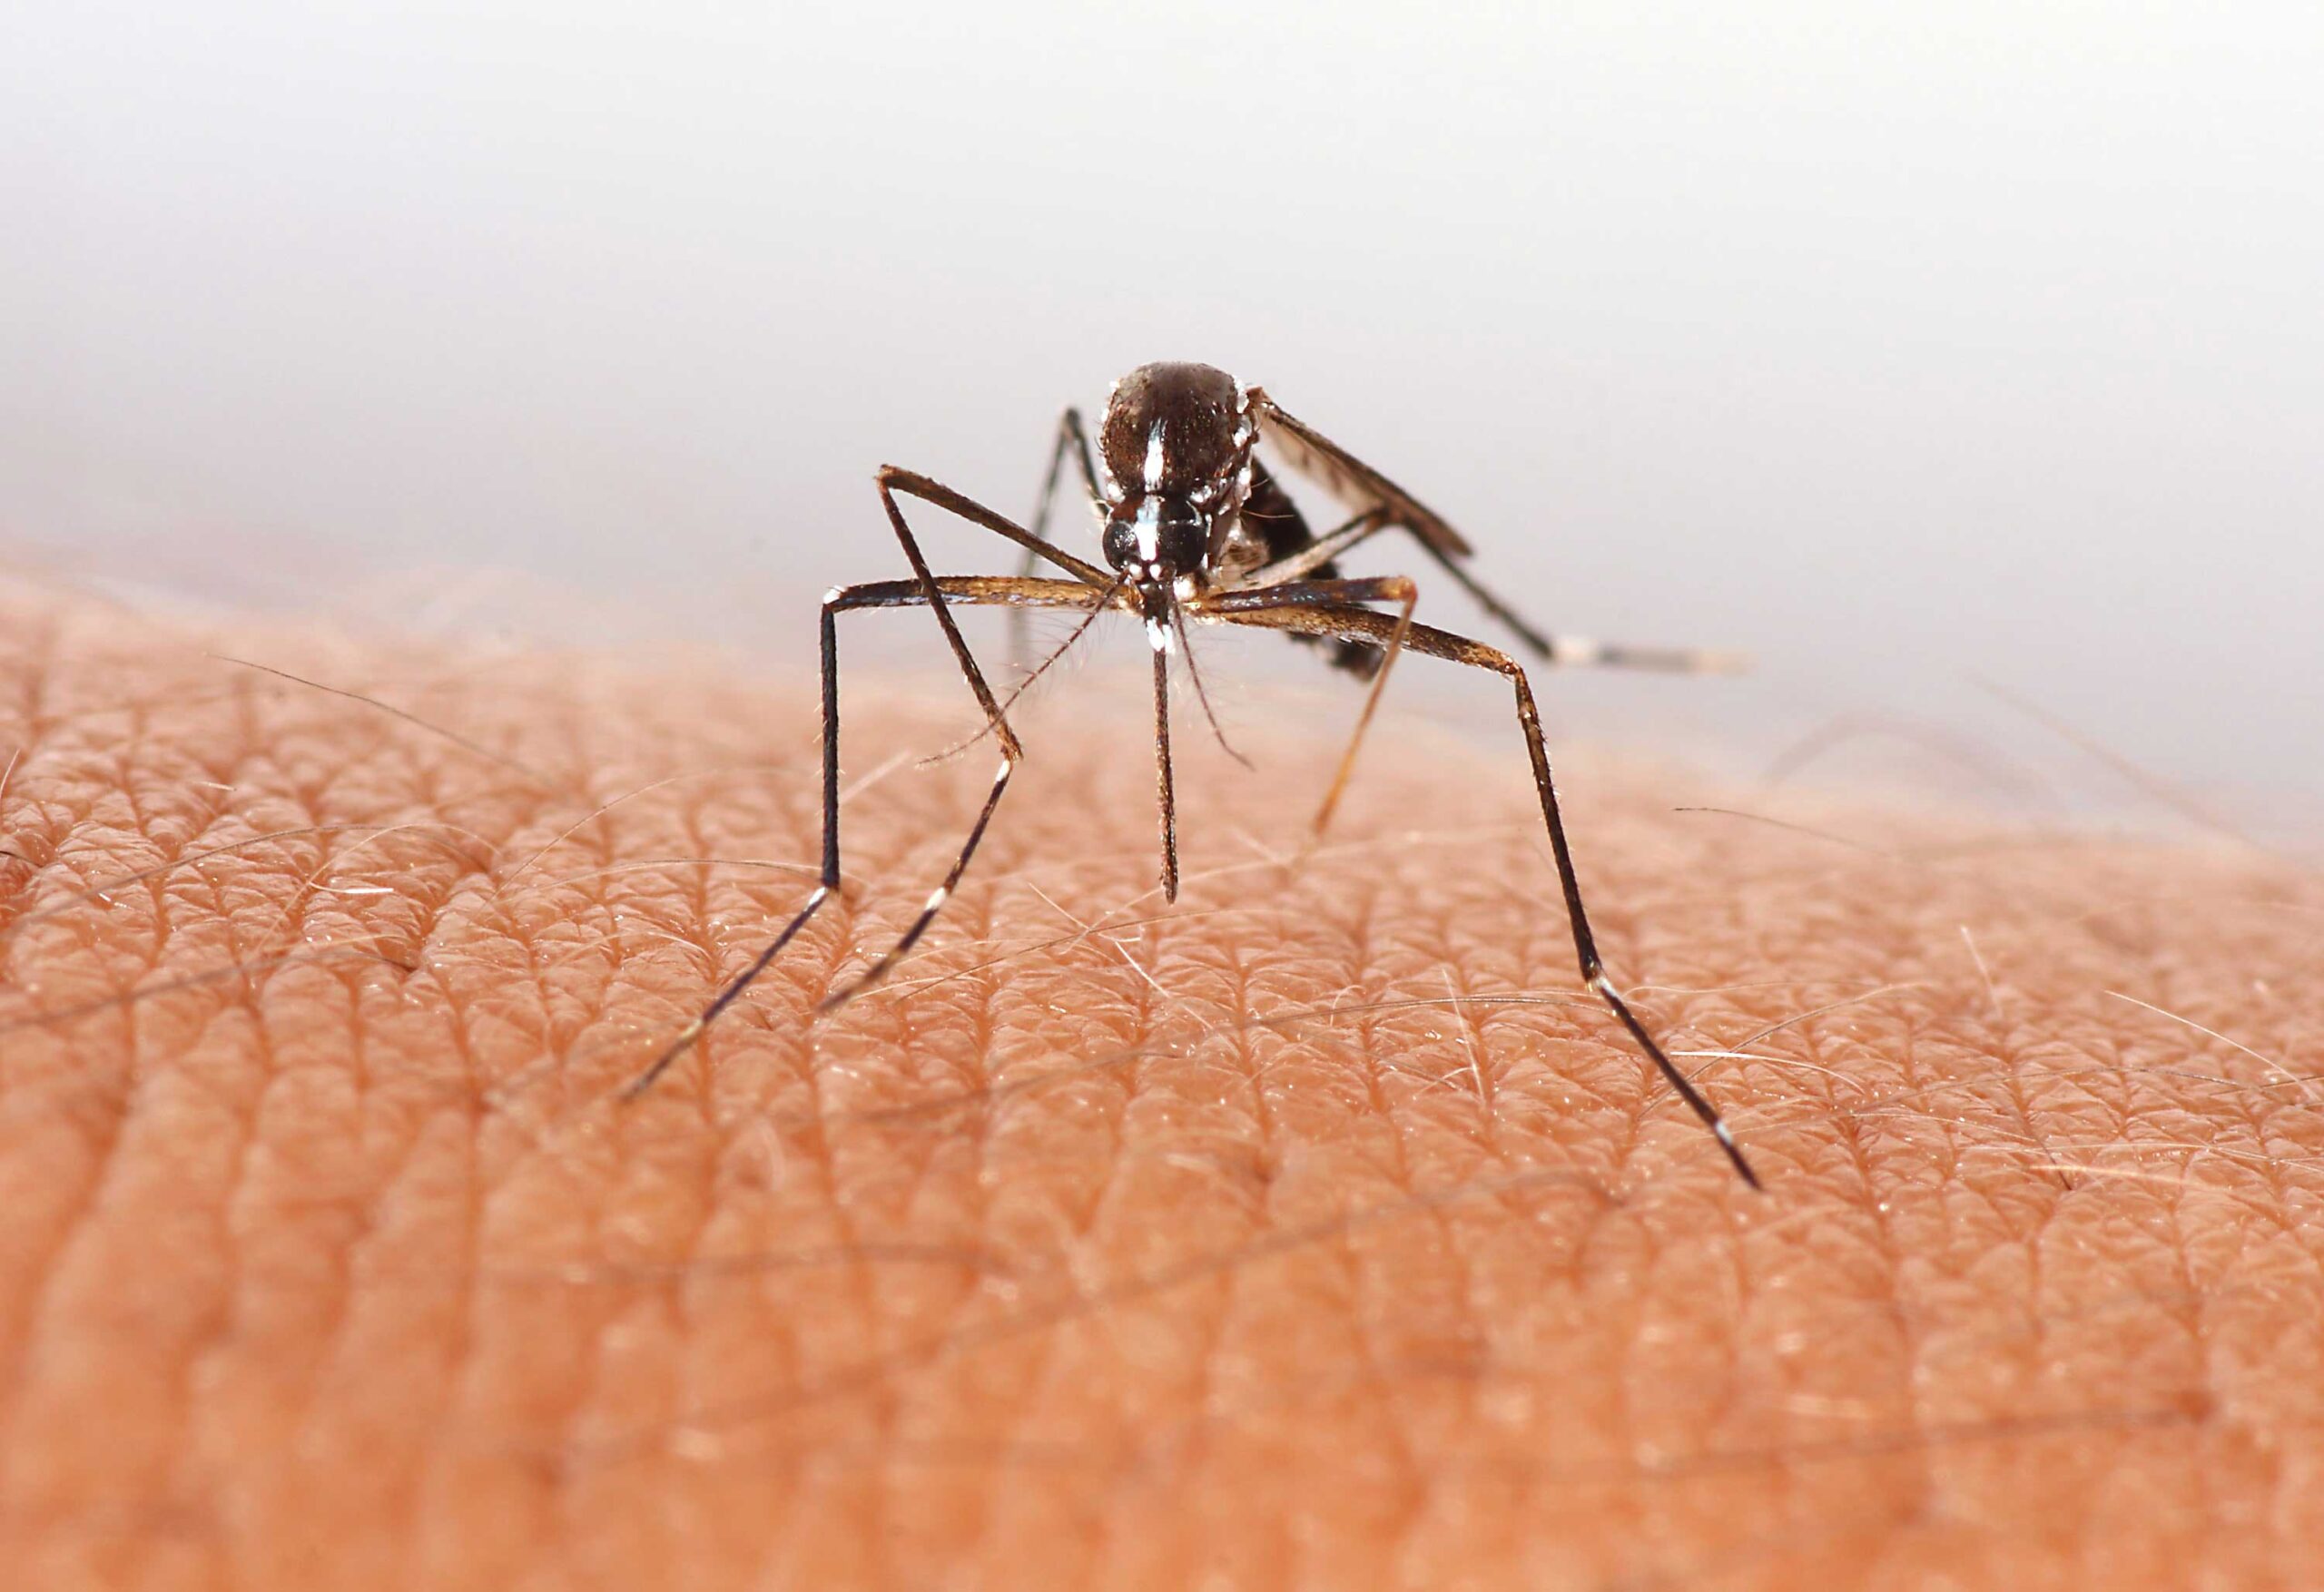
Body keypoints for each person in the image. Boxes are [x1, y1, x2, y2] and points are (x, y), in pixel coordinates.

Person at [0, 575, 2306, 1590]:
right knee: (862, 591)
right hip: (1097, 566)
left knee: (1490, 663)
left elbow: (1379, 578)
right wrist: (992, 757)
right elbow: (920, 553)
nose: (1145, 568)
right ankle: (869, 886)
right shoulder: (1087, 502)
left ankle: (1611, 991)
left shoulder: (1252, 515)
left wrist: (1288, 595)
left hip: (1287, 548)